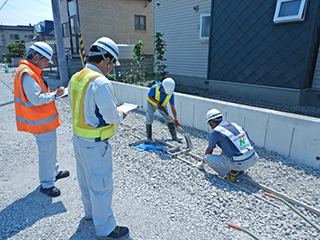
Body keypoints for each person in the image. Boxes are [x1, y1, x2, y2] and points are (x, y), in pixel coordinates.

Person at [68, 37, 129, 240]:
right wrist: (120, 113)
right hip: (95, 144)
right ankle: (105, 228)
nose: (111, 68)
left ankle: (90, 213)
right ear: (107, 59)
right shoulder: (101, 82)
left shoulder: (77, 77)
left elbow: (83, 105)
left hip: (78, 139)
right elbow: (112, 117)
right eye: (112, 64)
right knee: (101, 186)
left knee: (85, 180)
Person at [14, 42, 70, 197]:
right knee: (46, 152)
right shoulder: (27, 73)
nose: (46, 64)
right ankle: (46, 184)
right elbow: (36, 99)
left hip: (43, 121)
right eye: (46, 61)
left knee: (50, 150)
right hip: (40, 122)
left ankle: (54, 172)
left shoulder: (31, 71)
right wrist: (55, 95)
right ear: (36, 57)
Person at [197, 109, 259, 182]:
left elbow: (209, 150)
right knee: (231, 155)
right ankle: (237, 167)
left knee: (208, 158)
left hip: (242, 163)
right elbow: (227, 146)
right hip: (254, 157)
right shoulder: (234, 125)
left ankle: (233, 172)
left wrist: (202, 164)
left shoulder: (216, 132)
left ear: (211, 121)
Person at [146, 77, 182, 143]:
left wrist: (176, 119)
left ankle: (174, 136)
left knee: (168, 119)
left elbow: (172, 106)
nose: (167, 94)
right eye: (166, 92)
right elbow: (149, 97)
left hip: (162, 105)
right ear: (162, 88)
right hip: (152, 103)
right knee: (149, 118)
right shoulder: (154, 88)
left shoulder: (170, 93)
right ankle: (149, 138)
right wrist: (157, 103)